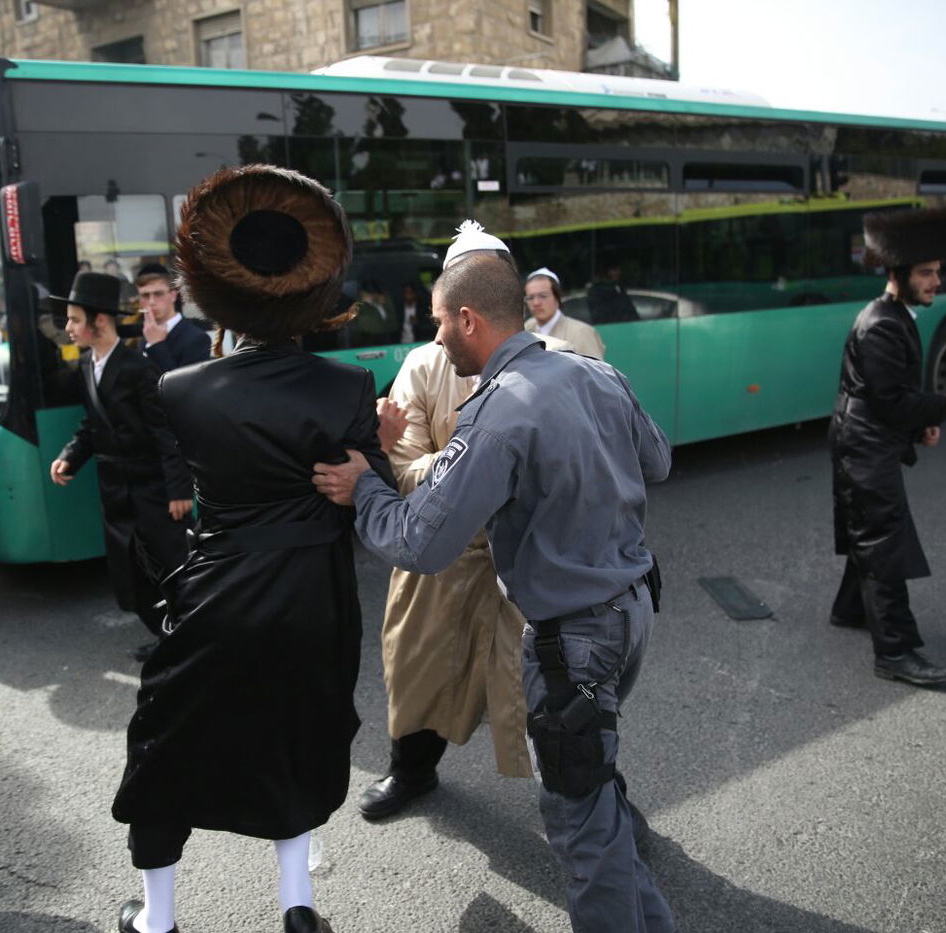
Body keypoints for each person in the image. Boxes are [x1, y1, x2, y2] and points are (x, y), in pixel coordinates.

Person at [312, 247, 674, 933]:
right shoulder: (596, 372)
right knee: (595, 803)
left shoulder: (498, 410)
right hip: (633, 611)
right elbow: (656, 457)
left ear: (469, 318)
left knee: (582, 831)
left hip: (576, 641)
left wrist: (363, 486)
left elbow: (421, 541)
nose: (437, 337)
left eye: (440, 321)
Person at [110, 165, 392, 933]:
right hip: (314, 597)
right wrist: (379, 458)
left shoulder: (183, 389)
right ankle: (298, 907)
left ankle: (158, 919)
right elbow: (378, 496)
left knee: (166, 744)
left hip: (217, 589)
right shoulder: (346, 387)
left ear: (220, 290)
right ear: (311, 294)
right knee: (296, 735)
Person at [358, 227, 572, 821]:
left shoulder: (560, 363)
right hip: (442, 554)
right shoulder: (424, 364)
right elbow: (400, 465)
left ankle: (590, 794)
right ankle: (412, 771)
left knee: (549, 689)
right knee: (419, 664)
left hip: (527, 557)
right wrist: (475, 471)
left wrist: (471, 468)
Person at [830, 206, 946, 687]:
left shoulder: (892, 315)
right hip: (864, 448)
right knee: (884, 541)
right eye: (926, 273)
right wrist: (944, 405)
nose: (936, 281)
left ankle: (851, 610)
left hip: (866, 442)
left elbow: (884, 397)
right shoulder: (882, 323)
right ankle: (896, 652)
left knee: (871, 530)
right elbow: (891, 400)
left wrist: (919, 426)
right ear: (897, 273)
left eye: (937, 272)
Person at [48, 272, 193, 656]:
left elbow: (165, 431)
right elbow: (90, 425)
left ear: (99, 321)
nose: (68, 328)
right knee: (134, 574)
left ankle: (190, 639)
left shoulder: (136, 367)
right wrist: (69, 458)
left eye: (75, 319)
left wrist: (178, 489)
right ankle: (169, 637)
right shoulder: (86, 366)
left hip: (152, 490)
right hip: (115, 491)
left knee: (171, 566)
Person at [136, 263, 210, 371]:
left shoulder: (196, 338)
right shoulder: (146, 336)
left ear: (173, 295)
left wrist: (156, 345)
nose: (151, 302)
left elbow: (185, 385)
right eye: (145, 295)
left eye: (158, 294)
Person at [523, 267, 605, 359]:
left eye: (543, 296)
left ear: (557, 298)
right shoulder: (525, 329)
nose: (536, 303)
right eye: (530, 298)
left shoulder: (581, 333)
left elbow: (594, 372)